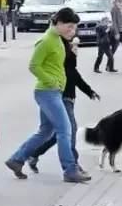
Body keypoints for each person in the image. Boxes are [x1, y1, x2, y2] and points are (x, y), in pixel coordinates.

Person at [5, 7, 91, 183]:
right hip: (47, 92)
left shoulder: (57, 39)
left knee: (45, 131)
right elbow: (33, 66)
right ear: (58, 23)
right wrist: (51, 81)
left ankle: (17, 159)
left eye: (74, 28)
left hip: (54, 92)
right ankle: (70, 170)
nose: (72, 31)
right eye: (69, 26)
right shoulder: (46, 41)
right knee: (65, 130)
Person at [27, 35, 100, 174]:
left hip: (67, 97)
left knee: (59, 134)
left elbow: (75, 76)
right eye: (74, 45)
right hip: (61, 96)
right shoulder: (61, 55)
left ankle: (34, 154)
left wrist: (89, 91)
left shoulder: (70, 62)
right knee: (70, 130)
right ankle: (73, 165)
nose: (77, 49)